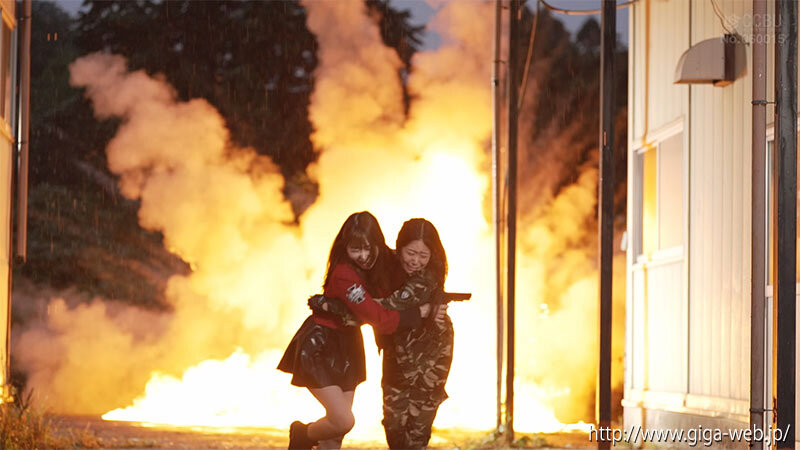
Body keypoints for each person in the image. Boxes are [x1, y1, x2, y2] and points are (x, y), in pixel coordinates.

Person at [277, 211, 440, 450]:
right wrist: (420, 313)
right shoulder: (344, 274)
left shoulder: (383, 259)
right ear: (345, 247)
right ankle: (303, 434)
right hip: (321, 344)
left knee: (336, 433)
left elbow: (406, 264)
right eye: (355, 249)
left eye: (368, 248)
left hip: (348, 343)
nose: (363, 256)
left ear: (378, 244)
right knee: (343, 421)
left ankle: (309, 438)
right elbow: (379, 319)